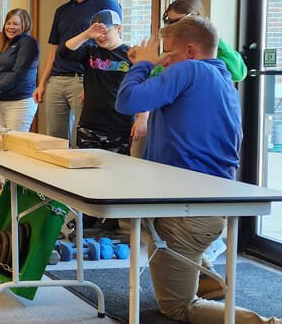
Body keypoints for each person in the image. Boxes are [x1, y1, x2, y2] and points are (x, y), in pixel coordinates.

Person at [116, 16, 279, 324]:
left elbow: (127, 100)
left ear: (190, 51)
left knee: (177, 307)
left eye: (170, 54)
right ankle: (201, 273)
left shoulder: (188, 70)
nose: (165, 60)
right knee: (157, 234)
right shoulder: (222, 78)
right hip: (211, 209)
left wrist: (144, 65)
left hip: (187, 214)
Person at [157, 0, 248, 301]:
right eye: (167, 20)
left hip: (200, 142)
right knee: (157, 221)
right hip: (176, 135)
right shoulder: (176, 53)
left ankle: (205, 280)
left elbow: (239, 70)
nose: (168, 26)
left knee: (180, 221)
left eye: (174, 20)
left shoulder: (212, 58)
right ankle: (207, 279)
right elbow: (158, 82)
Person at [34, 0, 121, 143]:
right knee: (54, 139)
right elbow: (55, 49)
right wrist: (42, 83)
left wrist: (95, 85)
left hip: (84, 80)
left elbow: (113, 44)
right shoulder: (62, 10)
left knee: (81, 138)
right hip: (57, 80)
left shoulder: (107, 3)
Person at [60, 9, 148, 155]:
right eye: (96, 32)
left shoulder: (131, 54)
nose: (100, 36)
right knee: (86, 172)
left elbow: (144, 87)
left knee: (115, 172)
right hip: (89, 126)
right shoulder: (90, 51)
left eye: (105, 31)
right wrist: (86, 34)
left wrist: (143, 118)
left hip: (119, 126)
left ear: (118, 29)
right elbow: (64, 52)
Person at [154, 0, 247, 82]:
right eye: (168, 22)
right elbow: (155, 77)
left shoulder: (210, 48)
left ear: (195, 17)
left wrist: (218, 41)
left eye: (177, 22)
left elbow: (239, 74)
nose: (172, 27)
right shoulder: (173, 47)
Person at [0, 9, 39, 132]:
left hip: (19, 103)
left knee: (15, 145)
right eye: (8, 23)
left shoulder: (28, 42)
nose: (11, 27)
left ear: (25, 25)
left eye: (15, 24)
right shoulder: (0, 42)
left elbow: (18, 73)